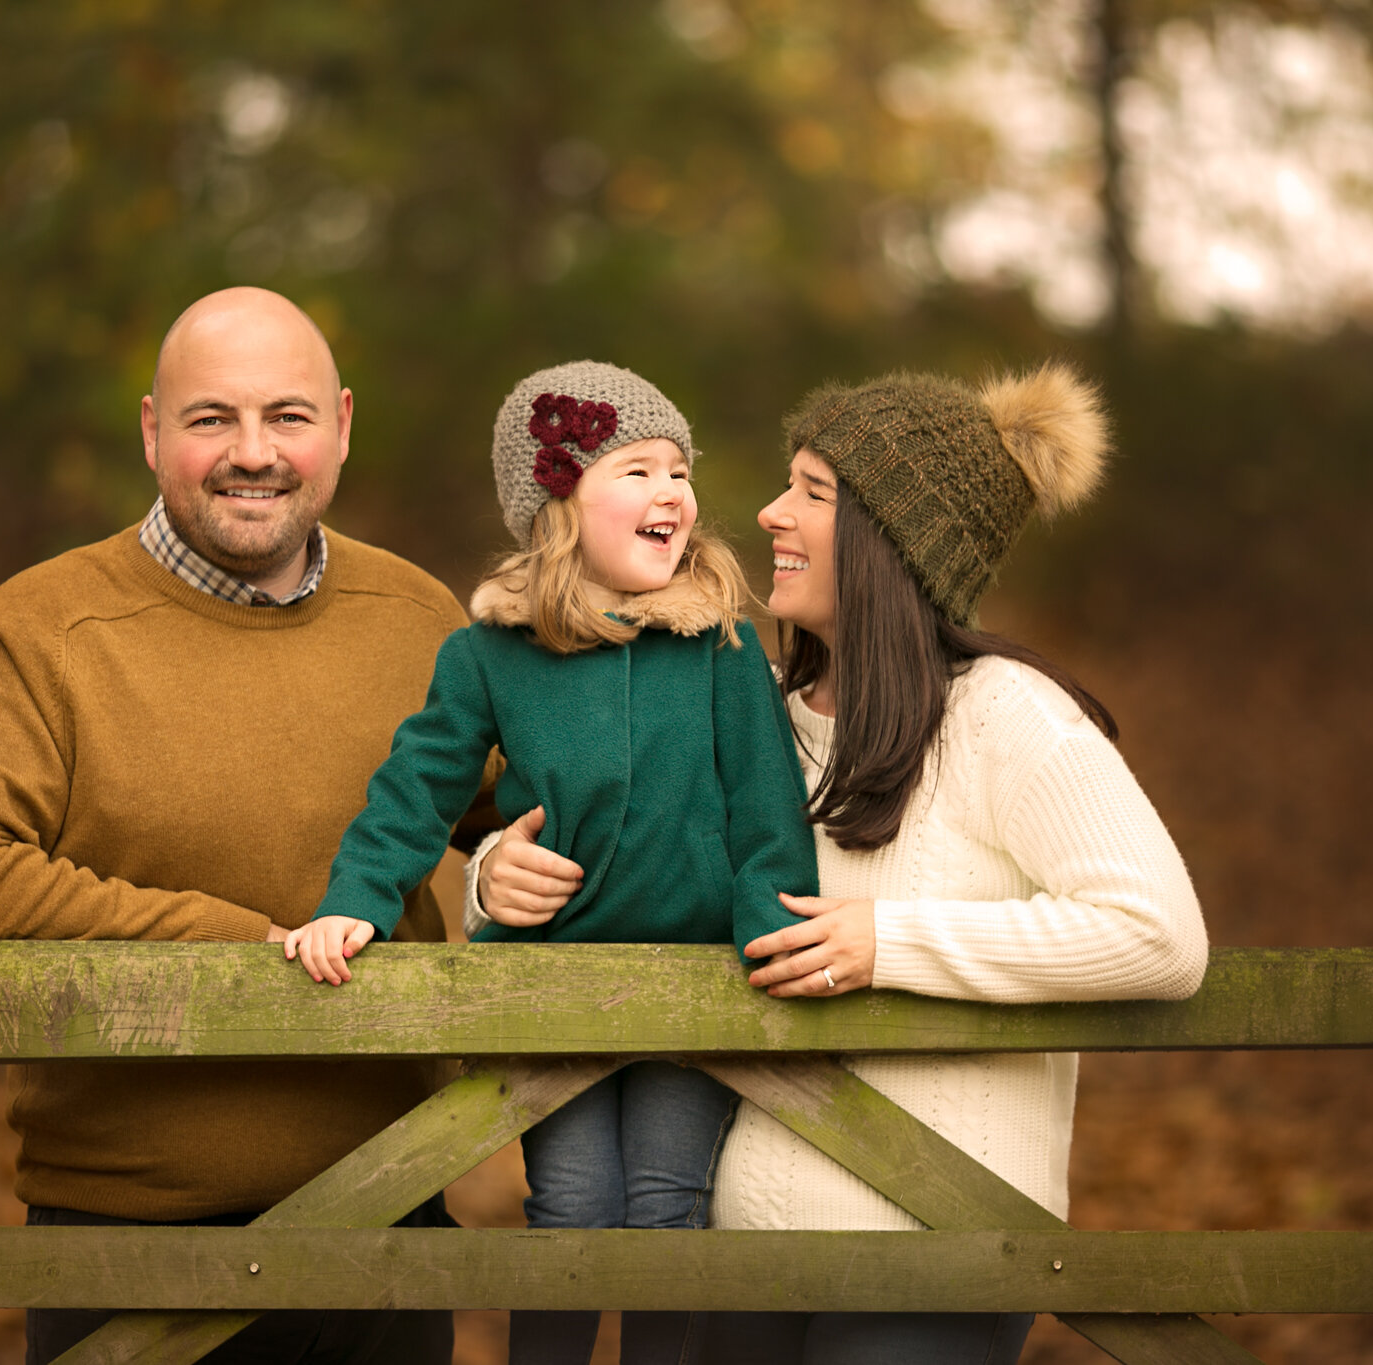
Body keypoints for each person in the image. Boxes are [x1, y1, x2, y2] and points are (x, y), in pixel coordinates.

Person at [473, 364, 1211, 1364]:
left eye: (813, 494)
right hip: (733, 1269)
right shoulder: (749, 710)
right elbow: (618, 860)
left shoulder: (1004, 717)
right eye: (786, 484)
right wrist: (492, 875)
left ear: (891, 542)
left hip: (928, 1258)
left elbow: (1157, 936)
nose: (770, 513)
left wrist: (885, 943)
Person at [0, 286, 494, 1365]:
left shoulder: (420, 618)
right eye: (211, 418)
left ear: (342, 427)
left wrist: (515, 859)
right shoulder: (38, 630)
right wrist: (243, 954)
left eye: (288, 417)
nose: (251, 453)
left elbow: (523, 813)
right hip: (124, 1233)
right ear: (151, 432)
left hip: (389, 1217)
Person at [283, 360, 820, 1365]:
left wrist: (770, 938)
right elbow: (417, 787)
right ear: (561, 503)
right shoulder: (490, 654)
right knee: (572, 1207)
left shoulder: (724, 648)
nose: (673, 493)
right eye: (639, 470)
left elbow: (765, 816)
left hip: (696, 988)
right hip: (550, 989)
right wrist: (357, 898)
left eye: (679, 471)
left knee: (665, 1213)